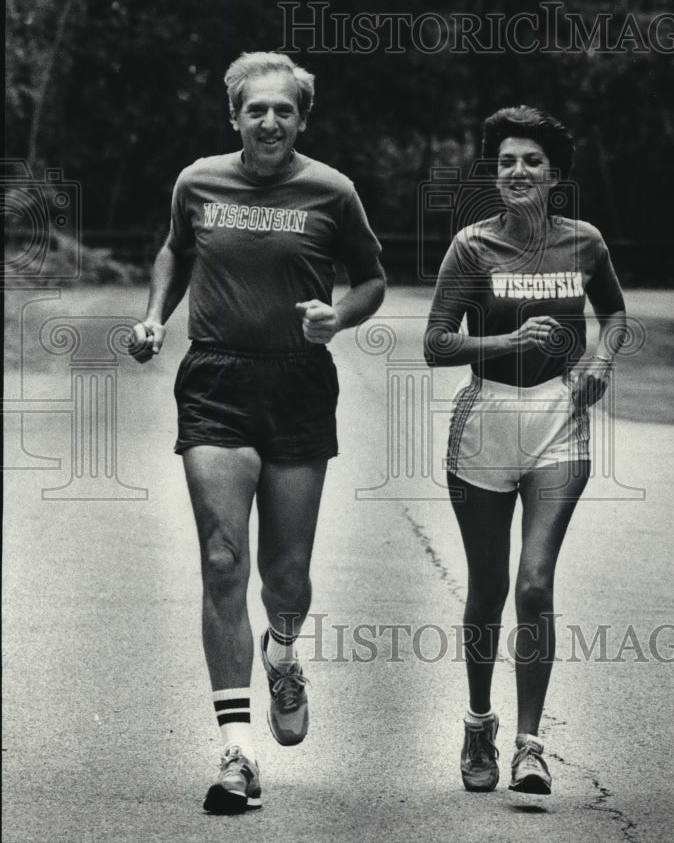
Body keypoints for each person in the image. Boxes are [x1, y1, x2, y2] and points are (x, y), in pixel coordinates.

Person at [130, 51, 385, 813]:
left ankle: (282, 651)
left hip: (299, 388)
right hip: (217, 383)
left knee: (286, 578)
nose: (268, 121)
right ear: (233, 116)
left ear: (301, 119)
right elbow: (176, 249)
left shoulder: (332, 191)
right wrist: (154, 317)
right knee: (220, 559)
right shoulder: (198, 182)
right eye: (255, 109)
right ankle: (237, 751)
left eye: (282, 110)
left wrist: (338, 315)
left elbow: (372, 278)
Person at [424, 105, 626, 796]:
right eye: (506, 161)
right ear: (494, 172)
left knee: (534, 583)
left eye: (532, 161)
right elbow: (436, 344)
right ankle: (479, 721)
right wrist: (506, 341)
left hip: (557, 420)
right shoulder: (471, 247)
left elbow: (615, 313)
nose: (517, 171)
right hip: (485, 418)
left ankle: (529, 745)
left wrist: (601, 360)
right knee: (488, 589)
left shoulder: (585, 244)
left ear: (554, 175)